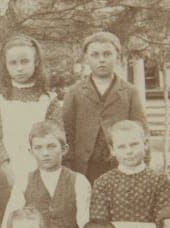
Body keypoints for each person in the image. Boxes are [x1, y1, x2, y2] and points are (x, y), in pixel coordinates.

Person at [88, 120, 170, 228]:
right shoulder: (103, 182)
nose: (129, 151)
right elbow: (100, 224)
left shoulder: (159, 180)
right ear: (112, 150)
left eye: (134, 144)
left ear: (145, 144)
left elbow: (165, 221)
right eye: (122, 146)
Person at [61, 31, 147, 184]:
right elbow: (66, 132)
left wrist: (142, 165)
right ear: (86, 58)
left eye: (107, 54)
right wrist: (68, 168)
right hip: (84, 169)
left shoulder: (130, 92)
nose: (101, 59)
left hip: (122, 166)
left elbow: (141, 131)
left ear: (118, 57)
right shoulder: (74, 92)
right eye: (95, 55)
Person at [3, 120, 91, 228]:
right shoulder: (24, 181)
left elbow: (85, 224)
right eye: (38, 147)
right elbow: (9, 222)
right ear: (31, 151)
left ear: (64, 149)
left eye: (51, 146)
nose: (45, 153)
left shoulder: (79, 181)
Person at [0, 34, 62, 187]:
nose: (19, 68)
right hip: (7, 170)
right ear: (5, 65)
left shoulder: (48, 100)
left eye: (25, 61)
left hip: (42, 168)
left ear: (36, 62)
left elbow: (56, 137)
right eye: (13, 63)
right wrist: (6, 170)